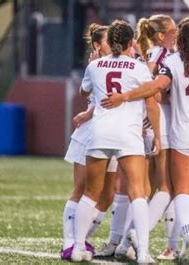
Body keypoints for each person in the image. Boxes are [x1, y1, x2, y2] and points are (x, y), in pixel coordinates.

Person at [101, 17, 189, 263]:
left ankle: (182, 233)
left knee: (178, 190)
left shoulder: (172, 61)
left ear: (180, 37)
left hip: (186, 131)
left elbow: (156, 88)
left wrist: (126, 96)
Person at [72, 20, 159, 264]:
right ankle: (143, 253)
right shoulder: (138, 67)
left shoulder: (95, 65)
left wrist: (94, 71)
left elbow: (84, 92)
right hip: (128, 134)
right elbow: (152, 93)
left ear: (109, 43)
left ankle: (78, 248)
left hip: (100, 132)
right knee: (138, 193)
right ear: (132, 42)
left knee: (90, 193)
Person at [61, 23, 119, 261]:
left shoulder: (120, 61)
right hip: (91, 132)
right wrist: (90, 111)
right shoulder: (95, 65)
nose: (114, 44)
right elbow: (87, 93)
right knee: (82, 188)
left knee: (108, 194)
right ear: (97, 45)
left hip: (114, 132)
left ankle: (83, 237)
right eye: (108, 40)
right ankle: (69, 243)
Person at [136, 14, 182, 261]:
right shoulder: (161, 54)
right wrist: (157, 99)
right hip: (162, 124)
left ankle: (164, 245)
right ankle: (135, 237)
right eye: (174, 30)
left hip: (157, 123)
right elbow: (151, 84)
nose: (177, 33)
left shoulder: (157, 52)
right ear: (161, 35)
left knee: (156, 187)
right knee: (167, 187)